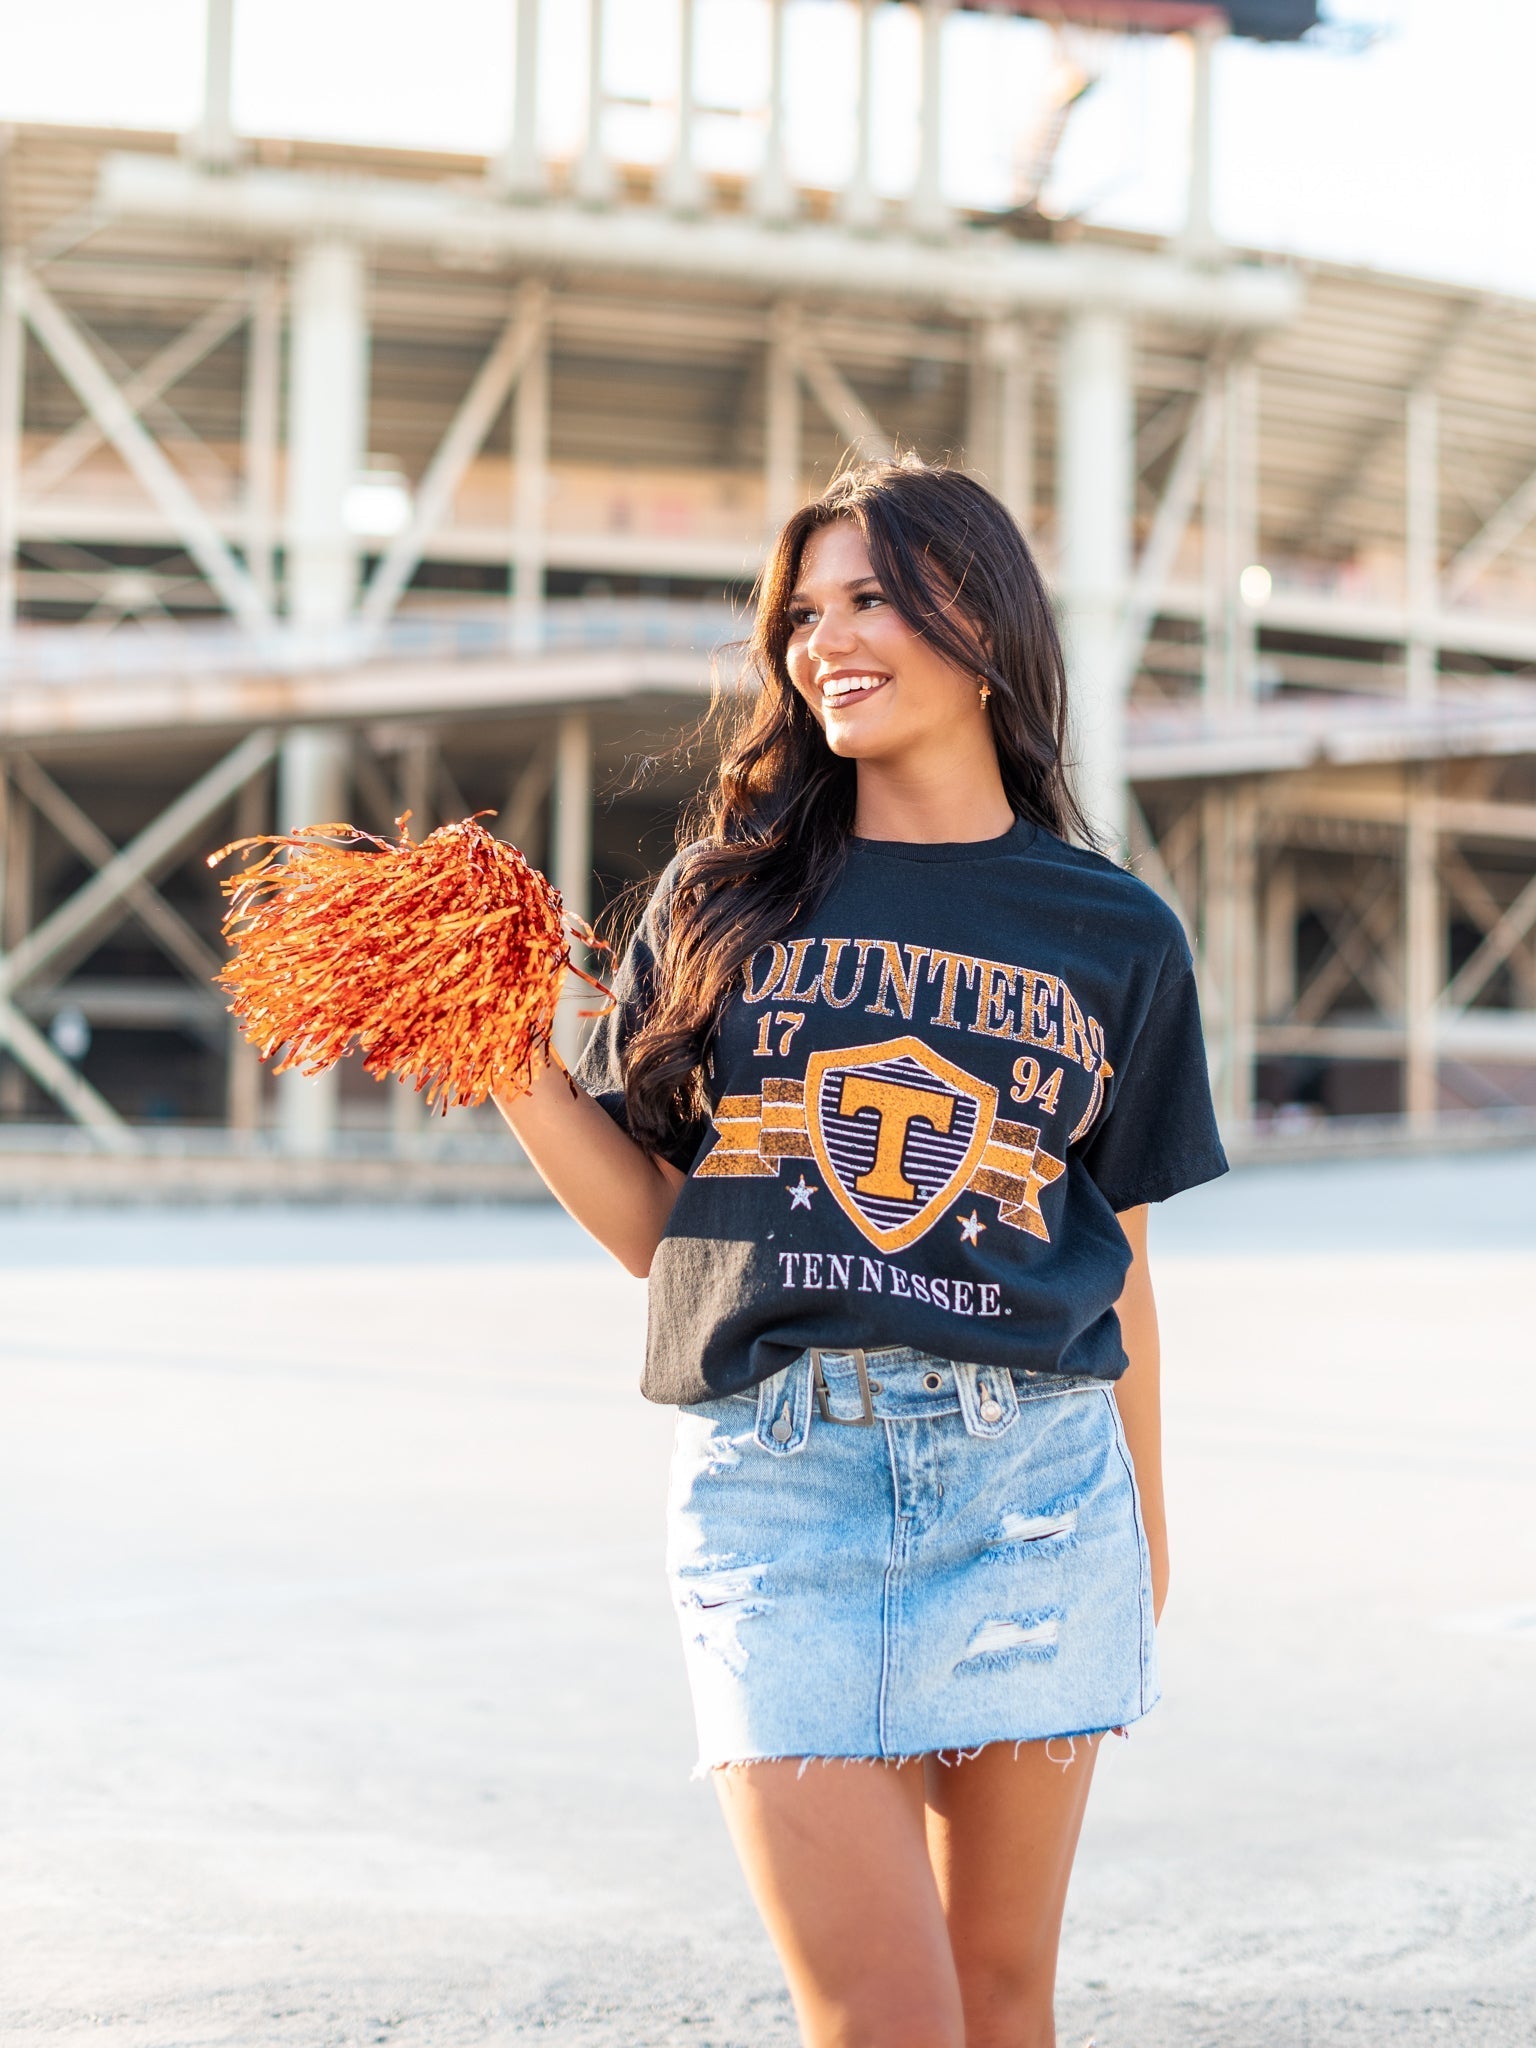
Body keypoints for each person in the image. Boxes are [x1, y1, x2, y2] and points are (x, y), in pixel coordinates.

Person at [495, 457, 1227, 2048]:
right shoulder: (718, 900)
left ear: (986, 620)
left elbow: (1126, 1272)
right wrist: (511, 1071)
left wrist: (1144, 1535)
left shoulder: (1116, 933)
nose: (828, 638)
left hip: (1037, 1488)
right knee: (884, 2018)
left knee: (1000, 1999)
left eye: (875, 596)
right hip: (782, 1495)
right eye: (805, 611)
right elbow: (667, 1236)